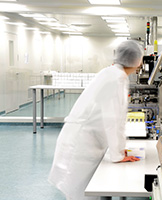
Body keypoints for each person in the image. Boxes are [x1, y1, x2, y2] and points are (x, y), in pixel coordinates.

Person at [48, 40, 143, 200]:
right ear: (136, 60)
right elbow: (112, 119)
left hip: (85, 140)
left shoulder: (113, 73)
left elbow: (116, 119)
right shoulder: (116, 78)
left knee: (88, 192)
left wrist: (120, 148)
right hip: (82, 145)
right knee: (84, 194)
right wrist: (118, 155)